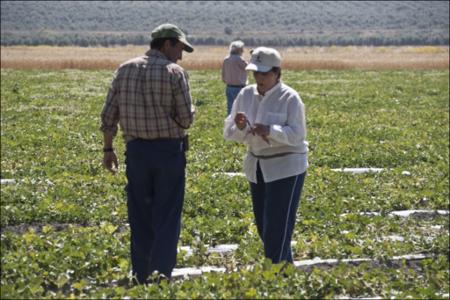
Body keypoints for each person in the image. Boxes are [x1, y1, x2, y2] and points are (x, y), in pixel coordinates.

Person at [100, 23, 195, 284]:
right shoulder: (175, 72)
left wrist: (108, 148)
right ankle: (161, 276)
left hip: (137, 152)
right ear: (166, 44)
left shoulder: (124, 69)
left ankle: (141, 274)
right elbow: (186, 119)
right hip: (168, 153)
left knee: (140, 215)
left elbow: (109, 115)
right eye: (179, 48)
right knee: (167, 216)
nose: (181, 55)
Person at [223, 47, 308, 264]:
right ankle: (285, 273)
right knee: (264, 226)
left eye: (264, 73)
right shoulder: (245, 94)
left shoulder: (290, 97)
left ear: (277, 73)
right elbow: (229, 132)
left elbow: (298, 135)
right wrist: (240, 126)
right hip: (258, 166)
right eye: (256, 73)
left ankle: (275, 276)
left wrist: (270, 130)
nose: (259, 78)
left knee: (277, 227)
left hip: (287, 166)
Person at [221, 40, 248, 115]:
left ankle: (229, 124)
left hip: (229, 87)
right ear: (240, 50)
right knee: (241, 109)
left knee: (230, 108)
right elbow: (248, 67)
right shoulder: (239, 59)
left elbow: (223, 75)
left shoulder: (226, 59)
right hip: (239, 88)